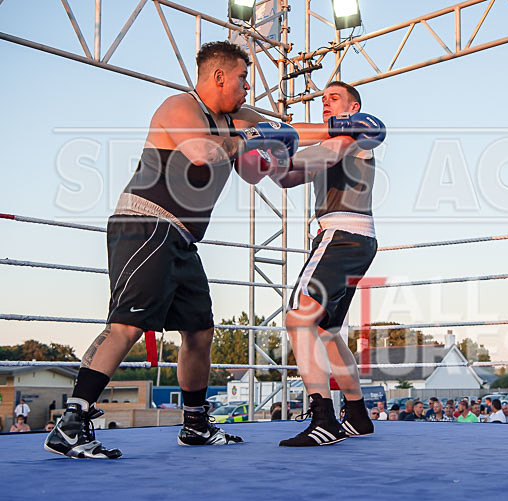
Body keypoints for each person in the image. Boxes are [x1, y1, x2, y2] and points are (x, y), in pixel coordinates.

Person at [44, 40, 320, 459]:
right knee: (127, 326)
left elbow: (275, 141)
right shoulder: (180, 108)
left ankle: (194, 424)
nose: (248, 88)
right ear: (220, 76)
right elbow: (202, 153)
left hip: (183, 240)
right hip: (145, 225)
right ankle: (72, 422)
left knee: (199, 331)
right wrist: (251, 138)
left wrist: (345, 131)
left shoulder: (236, 119)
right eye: (243, 78)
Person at [269, 81, 386, 446]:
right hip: (356, 240)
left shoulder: (352, 137)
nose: (325, 103)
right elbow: (288, 177)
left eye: (333, 98)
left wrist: (272, 138)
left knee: (298, 319)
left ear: (353, 108)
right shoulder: (331, 143)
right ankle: (357, 415)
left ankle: (324, 419)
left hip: (341, 234)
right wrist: (268, 158)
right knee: (327, 331)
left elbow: (316, 155)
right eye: (322, 99)